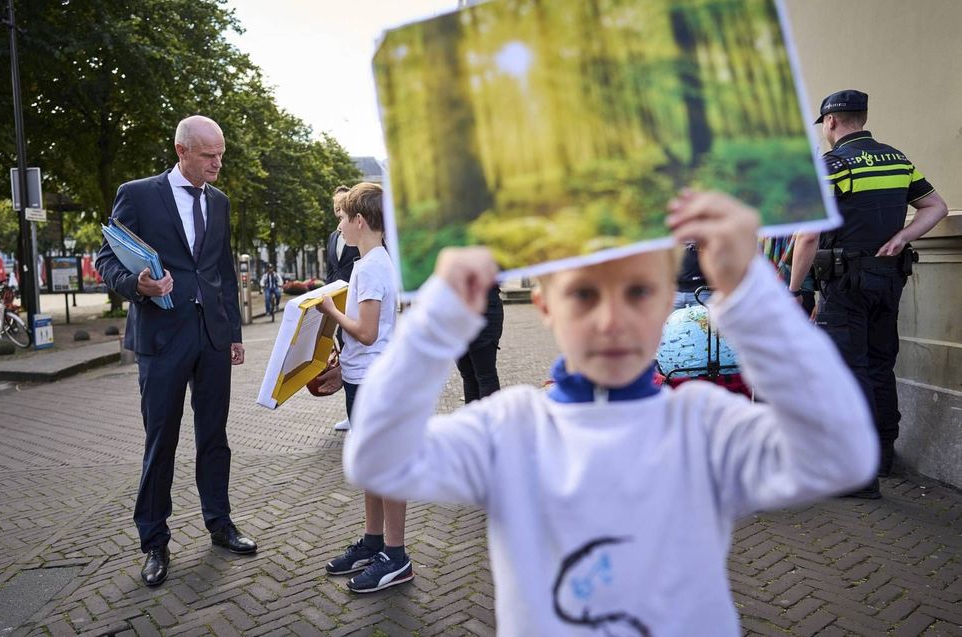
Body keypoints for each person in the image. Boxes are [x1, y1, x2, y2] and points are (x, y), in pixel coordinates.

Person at [343, 190, 877, 634]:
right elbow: (377, 460)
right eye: (584, 295)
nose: (611, 321)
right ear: (547, 305)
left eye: (639, 291)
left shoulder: (704, 425)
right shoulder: (511, 429)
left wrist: (752, 294)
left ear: (669, 299)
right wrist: (436, 323)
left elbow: (842, 453)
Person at [95, 115, 257, 588]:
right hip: (161, 338)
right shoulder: (139, 193)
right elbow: (107, 257)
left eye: (221, 155)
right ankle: (154, 542)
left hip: (210, 337)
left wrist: (234, 334)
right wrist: (136, 284)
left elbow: (222, 271)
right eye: (209, 156)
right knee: (160, 440)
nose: (217, 164)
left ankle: (220, 523)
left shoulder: (220, 202)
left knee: (215, 437)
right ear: (181, 150)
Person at [789, 90, 948, 496]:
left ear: (831, 122)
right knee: (879, 364)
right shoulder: (897, 159)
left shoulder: (833, 165)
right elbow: (936, 207)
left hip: (844, 284)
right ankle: (882, 458)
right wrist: (903, 237)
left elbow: (807, 235)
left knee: (848, 371)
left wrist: (795, 290)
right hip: (889, 279)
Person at [315, 182, 412, 594]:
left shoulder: (371, 267)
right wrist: (343, 363)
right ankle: (374, 542)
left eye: (342, 218)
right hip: (363, 378)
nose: (339, 226)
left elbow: (369, 333)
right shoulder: (369, 263)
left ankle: (396, 555)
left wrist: (331, 310)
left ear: (359, 221)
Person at [325, 185, 361, 430]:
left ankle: (359, 415)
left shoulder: (358, 233)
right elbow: (331, 271)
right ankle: (351, 413)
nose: (338, 211)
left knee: (356, 359)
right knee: (343, 356)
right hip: (336, 302)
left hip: (358, 301)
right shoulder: (333, 236)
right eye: (336, 207)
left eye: (342, 206)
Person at [455, 283, 503, 402]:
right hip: (456, 309)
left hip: (481, 306)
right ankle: (475, 418)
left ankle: (490, 419)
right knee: (471, 375)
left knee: (483, 376)